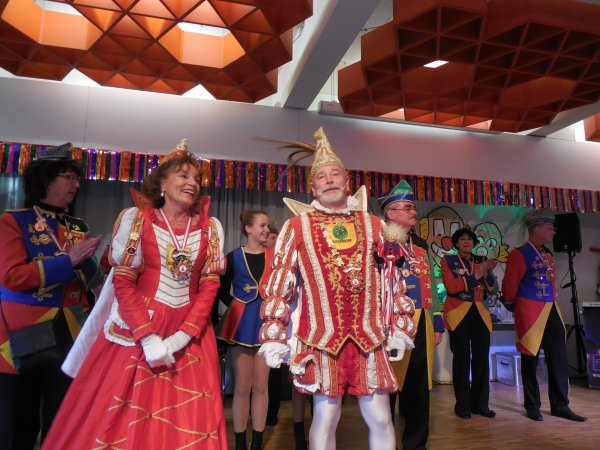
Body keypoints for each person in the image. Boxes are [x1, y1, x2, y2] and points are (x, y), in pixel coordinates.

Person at [41, 139, 228, 449]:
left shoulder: (210, 229)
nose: (192, 183)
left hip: (191, 335)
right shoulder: (137, 220)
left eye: (196, 178)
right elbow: (124, 284)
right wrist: (148, 337)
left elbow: (209, 287)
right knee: (120, 418)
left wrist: (181, 337)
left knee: (190, 421)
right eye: (183, 175)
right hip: (139, 330)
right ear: (162, 183)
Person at [258, 127, 416, 450]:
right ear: (313, 188)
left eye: (335, 174)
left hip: (369, 337)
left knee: (381, 418)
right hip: (322, 338)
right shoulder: (297, 227)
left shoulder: (374, 225)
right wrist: (274, 335)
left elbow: (392, 279)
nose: (329, 180)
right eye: (321, 177)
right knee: (326, 417)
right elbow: (280, 283)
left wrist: (400, 327)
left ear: (347, 181)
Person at [0, 143, 103, 449]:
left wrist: (101, 262)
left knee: (63, 422)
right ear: (45, 180)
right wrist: (68, 261)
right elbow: (12, 277)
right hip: (22, 337)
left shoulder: (78, 227)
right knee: (19, 422)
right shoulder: (13, 221)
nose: (76, 184)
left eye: (77, 178)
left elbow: (91, 281)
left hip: (70, 335)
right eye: (69, 177)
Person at [502, 208, 587, 422]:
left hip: (551, 309)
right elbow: (510, 285)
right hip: (529, 310)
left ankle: (560, 405)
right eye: (550, 228)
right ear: (537, 228)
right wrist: (514, 306)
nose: (554, 232)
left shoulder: (547, 253)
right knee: (529, 358)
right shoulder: (519, 253)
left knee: (558, 357)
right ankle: (532, 405)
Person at [378, 180, 444, 450]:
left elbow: (432, 283)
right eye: (407, 208)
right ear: (390, 213)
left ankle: (416, 444)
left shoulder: (421, 245)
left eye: (414, 207)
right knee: (388, 387)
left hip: (422, 322)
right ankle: (385, 443)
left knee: (418, 387)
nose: (414, 212)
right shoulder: (379, 243)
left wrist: (437, 321)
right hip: (391, 322)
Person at [216, 210, 273, 450]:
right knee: (242, 386)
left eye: (267, 226)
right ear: (248, 229)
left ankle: (257, 442)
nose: (266, 230)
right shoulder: (233, 257)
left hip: (267, 326)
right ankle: (240, 442)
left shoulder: (275, 256)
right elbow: (220, 290)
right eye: (262, 225)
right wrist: (236, 307)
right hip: (239, 327)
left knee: (261, 385)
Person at [441, 227, 497, 419]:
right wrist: (476, 276)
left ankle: (481, 405)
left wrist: (487, 272)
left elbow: (492, 288)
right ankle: (462, 405)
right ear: (456, 244)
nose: (466, 242)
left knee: (481, 359)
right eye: (462, 239)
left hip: (480, 312)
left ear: (474, 243)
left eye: (469, 239)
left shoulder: (482, 260)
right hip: (458, 312)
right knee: (462, 359)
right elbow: (451, 287)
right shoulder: (448, 260)